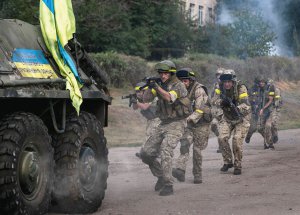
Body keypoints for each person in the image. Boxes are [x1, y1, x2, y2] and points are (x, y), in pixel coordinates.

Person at [139, 60, 189, 196]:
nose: (162, 75)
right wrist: (149, 87)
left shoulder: (179, 85)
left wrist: (157, 86)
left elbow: (169, 98)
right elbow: (145, 99)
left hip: (177, 123)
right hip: (163, 123)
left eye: (165, 73)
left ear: (172, 73)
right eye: (161, 73)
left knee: (166, 151)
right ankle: (161, 175)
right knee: (145, 153)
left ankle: (168, 184)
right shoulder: (160, 84)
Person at [172, 68, 211, 184]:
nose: (183, 83)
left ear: (191, 80)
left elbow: (200, 110)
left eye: (185, 81)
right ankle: (180, 170)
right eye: (181, 81)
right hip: (188, 123)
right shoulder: (178, 90)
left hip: (202, 124)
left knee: (197, 150)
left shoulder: (199, 90)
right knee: (184, 145)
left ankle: (197, 174)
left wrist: (187, 119)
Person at [211, 69, 251, 175]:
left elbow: (246, 105)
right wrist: (222, 102)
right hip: (227, 117)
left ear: (233, 81)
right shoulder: (219, 87)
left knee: (237, 140)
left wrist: (236, 108)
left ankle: (238, 165)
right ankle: (228, 162)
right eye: (225, 82)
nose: (227, 84)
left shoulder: (240, 87)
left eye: (229, 82)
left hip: (241, 117)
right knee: (221, 138)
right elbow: (213, 100)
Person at [131, 82, 161, 158]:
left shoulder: (150, 95)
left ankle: (145, 153)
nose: (138, 93)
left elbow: (145, 107)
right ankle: (145, 153)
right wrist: (134, 101)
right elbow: (135, 108)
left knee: (150, 136)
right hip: (150, 120)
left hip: (157, 119)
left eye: (139, 91)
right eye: (137, 92)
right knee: (150, 136)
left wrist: (136, 102)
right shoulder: (142, 98)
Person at [211, 68, 225, 153]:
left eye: (220, 74)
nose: (218, 76)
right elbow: (213, 96)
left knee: (220, 129)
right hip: (216, 110)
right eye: (217, 75)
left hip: (224, 111)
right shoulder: (215, 85)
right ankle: (223, 141)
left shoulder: (227, 84)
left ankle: (222, 146)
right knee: (213, 125)